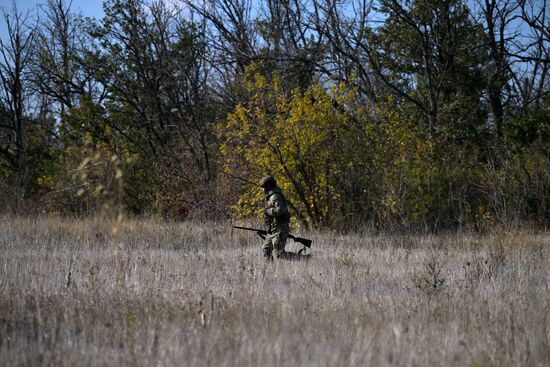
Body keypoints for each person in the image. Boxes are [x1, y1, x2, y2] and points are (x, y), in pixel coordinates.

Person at [259, 175, 309, 261]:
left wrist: (268, 212)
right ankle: (270, 270)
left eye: (263, 187)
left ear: (268, 187)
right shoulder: (271, 196)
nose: (262, 190)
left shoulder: (275, 197)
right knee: (266, 250)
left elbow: (280, 210)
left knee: (279, 254)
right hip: (273, 229)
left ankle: (305, 259)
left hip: (279, 228)